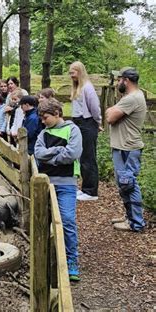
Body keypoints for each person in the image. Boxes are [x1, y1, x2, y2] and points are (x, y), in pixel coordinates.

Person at [34, 98, 83, 282]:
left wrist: (51, 156)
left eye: (45, 117)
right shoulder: (43, 133)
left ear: (56, 114)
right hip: (46, 182)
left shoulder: (73, 130)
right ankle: (48, 256)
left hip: (66, 183)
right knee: (44, 220)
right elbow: (38, 153)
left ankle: (72, 261)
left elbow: (72, 154)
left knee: (68, 221)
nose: (42, 121)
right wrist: (57, 152)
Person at [106, 68, 147, 232]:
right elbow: (112, 113)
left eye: (119, 80)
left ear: (126, 81)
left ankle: (136, 223)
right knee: (123, 184)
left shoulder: (132, 98)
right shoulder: (130, 97)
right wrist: (113, 110)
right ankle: (130, 217)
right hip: (122, 146)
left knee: (129, 183)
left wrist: (112, 110)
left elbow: (109, 117)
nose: (117, 83)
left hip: (128, 148)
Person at [69, 61, 101, 201]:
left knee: (89, 157)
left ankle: (91, 191)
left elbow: (95, 107)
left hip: (87, 122)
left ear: (80, 72)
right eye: (70, 73)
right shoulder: (77, 88)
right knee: (82, 157)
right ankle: (85, 188)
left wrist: (97, 121)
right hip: (79, 122)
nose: (71, 76)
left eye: (73, 73)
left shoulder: (87, 87)